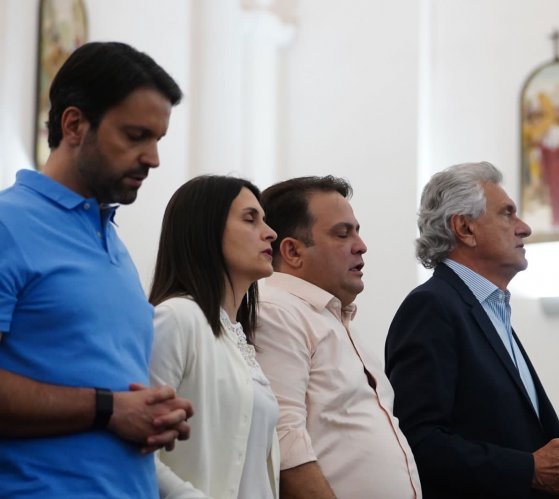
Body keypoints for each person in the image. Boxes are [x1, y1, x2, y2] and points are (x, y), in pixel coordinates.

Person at [0, 41, 192, 497]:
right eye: (135, 135)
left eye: (157, 140)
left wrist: (152, 413)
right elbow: (108, 407)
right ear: (74, 124)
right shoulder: (9, 224)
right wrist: (107, 409)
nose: (153, 158)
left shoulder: (112, 243)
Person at [385, 161, 559, 499]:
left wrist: (555, 474)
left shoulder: (489, 310)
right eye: (508, 214)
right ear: (464, 228)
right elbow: (419, 440)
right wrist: (530, 470)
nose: (524, 228)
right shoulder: (433, 308)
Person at [254, 176, 422, 499]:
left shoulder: (331, 318)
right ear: (292, 251)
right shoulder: (277, 311)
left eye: (357, 231)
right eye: (343, 234)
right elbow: (284, 439)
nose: (361, 245)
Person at [149, 175, 280, 498]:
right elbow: (136, 446)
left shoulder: (236, 338)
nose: (271, 232)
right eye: (251, 219)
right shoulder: (176, 318)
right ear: (205, 231)